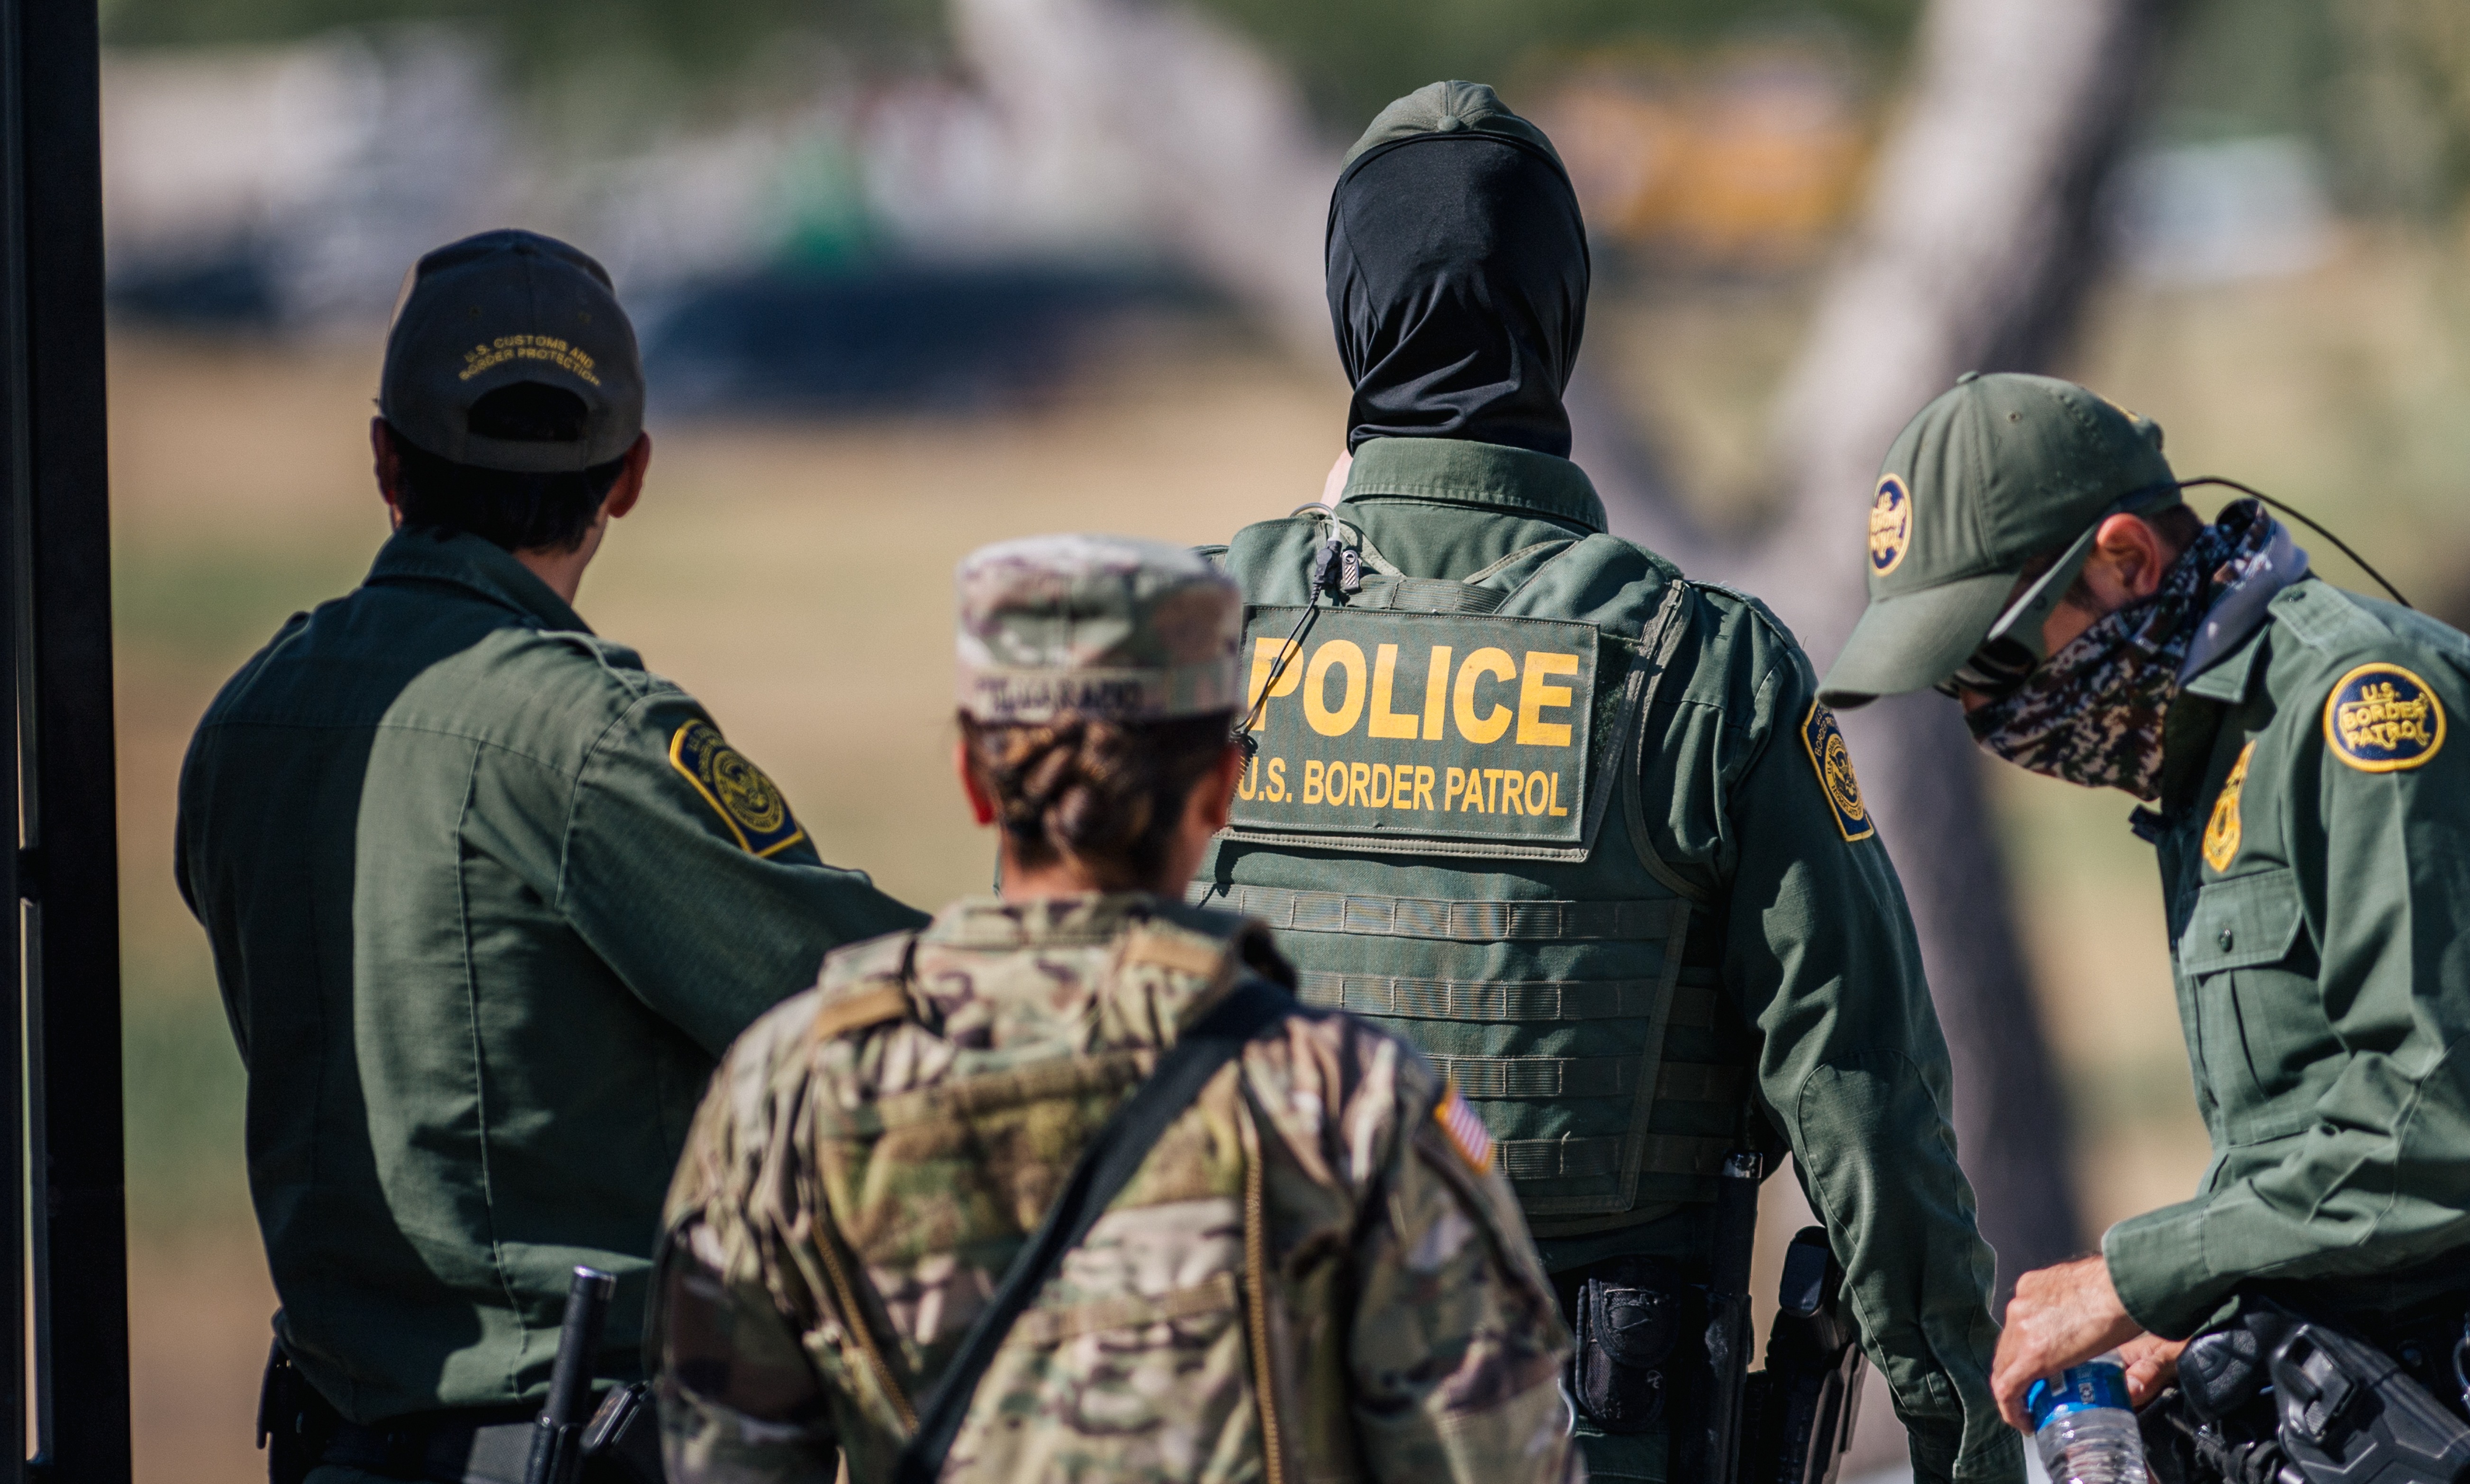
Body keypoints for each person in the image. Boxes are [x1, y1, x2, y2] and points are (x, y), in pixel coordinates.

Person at [1194, 81, 2017, 1484]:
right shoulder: (1707, 668)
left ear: (1348, 311)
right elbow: (1865, 1103)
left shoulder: (1203, 629)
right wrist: (1962, 1443)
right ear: (1563, 316)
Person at [174, 228, 929, 1484]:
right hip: (569, 1442)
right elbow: (862, 1000)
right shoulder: (588, 739)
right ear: (628, 475)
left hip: (334, 1439)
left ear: (382, 460)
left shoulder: (248, 718)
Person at [652, 533, 1578, 1483]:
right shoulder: (1347, 1101)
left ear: (976, 778)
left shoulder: (793, 1082)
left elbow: (721, 1456)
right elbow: (1497, 1459)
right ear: (1223, 785)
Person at [1814, 372, 2470, 1450]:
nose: (1980, 709)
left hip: (2467, 1415)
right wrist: (2199, 1317)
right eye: (1950, 681)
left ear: (2128, 561)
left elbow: (2451, 1127)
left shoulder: (2360, 711)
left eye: (1990, 657)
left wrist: (2137, 1279)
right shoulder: (2210, 755)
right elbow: (2310, 1133)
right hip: (2339, 1414)